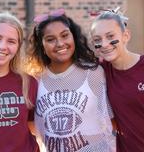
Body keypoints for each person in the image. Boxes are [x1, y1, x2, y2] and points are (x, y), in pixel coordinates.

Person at [28, 8, 115, 152]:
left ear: (73, 37)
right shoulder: (35, 80)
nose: (60, 43)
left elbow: (112, 120)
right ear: (41, 46)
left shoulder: (94, 73)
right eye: (50, 39)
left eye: (65, 35)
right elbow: (30, 124)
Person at [90, 7, 144, 152]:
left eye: (110, 36)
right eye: (97, 39)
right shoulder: (100, 72)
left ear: (126, 36)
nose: (104, 44)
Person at [0, 12, 40, 152]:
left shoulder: (28, 83)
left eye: (11, 41)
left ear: (17, 47)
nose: (3, 46)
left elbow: (33, 126)